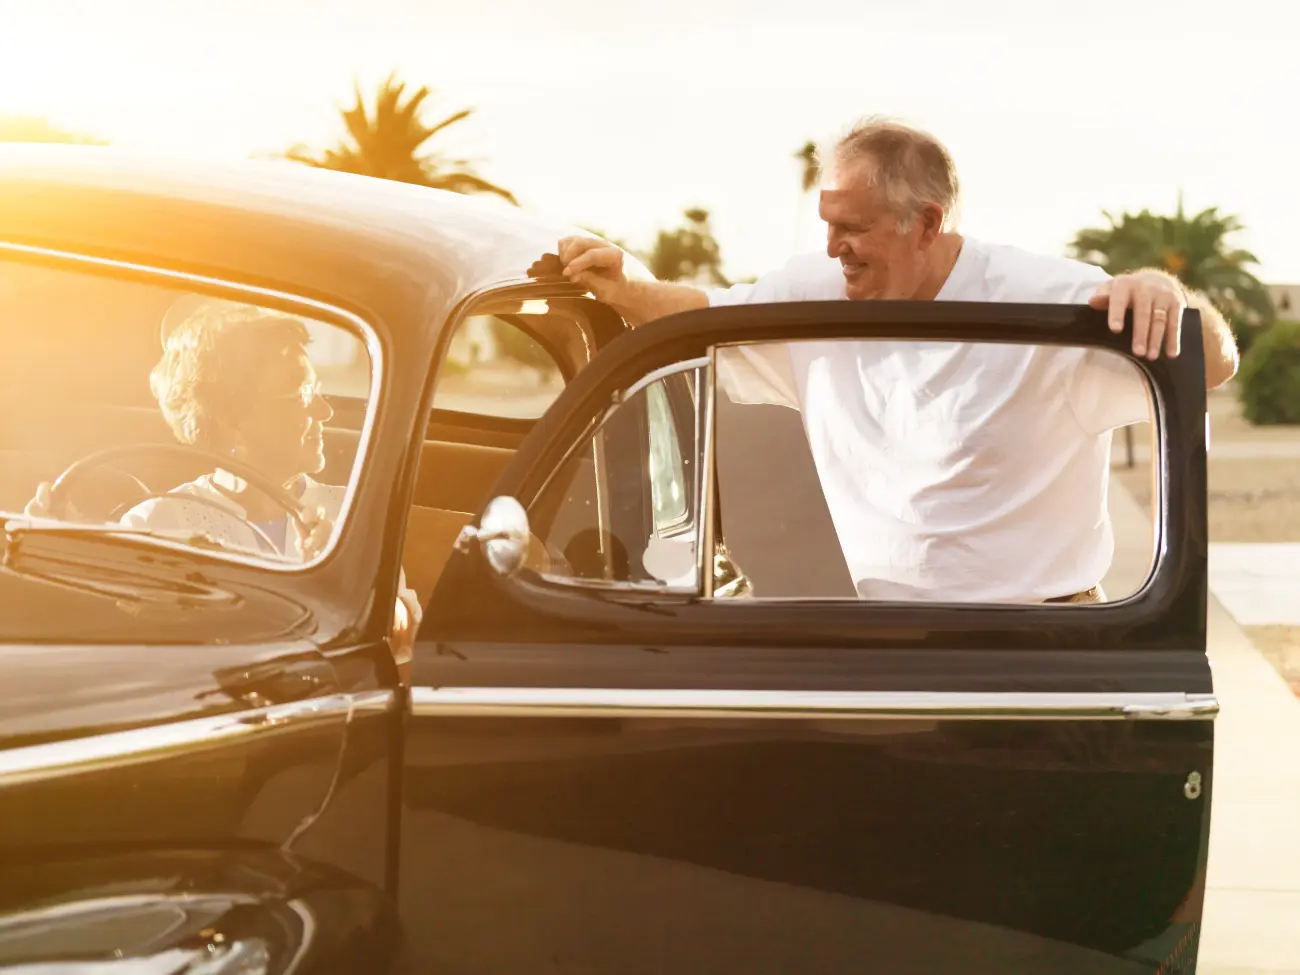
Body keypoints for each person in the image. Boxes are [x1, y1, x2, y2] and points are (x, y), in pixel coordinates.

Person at [554, 117, 1239, 603]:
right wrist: (627, 288)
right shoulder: (812, 296)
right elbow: (703, 318)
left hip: (1050, 647)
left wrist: (1163, 292)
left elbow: (1210, 366)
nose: (833, 247)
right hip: (898, 644)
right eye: (827, 222)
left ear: (930, 223)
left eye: (853, 227)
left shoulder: (1051, 303)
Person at [26, 301, 421, 667]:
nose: (325, 410)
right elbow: (115, 650)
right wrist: (61, 552)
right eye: (300, 393)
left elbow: (401, 634)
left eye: (316, 390)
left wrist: (350, 580)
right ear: (232, 419)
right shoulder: (159, 523)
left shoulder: (351, 515)